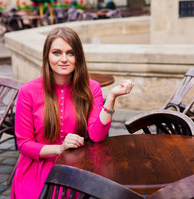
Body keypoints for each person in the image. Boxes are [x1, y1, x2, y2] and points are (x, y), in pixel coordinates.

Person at [11, 27, 134, 199]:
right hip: (38, 170)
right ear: (47, 56)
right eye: (56, 52)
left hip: (77, 170)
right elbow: (24, 144)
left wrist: (112, 98)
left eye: (70, 53)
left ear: (78, 57)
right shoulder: (28, 91)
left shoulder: (92, 88)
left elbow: (97, 135)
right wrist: (59, 148)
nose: (63, 59)